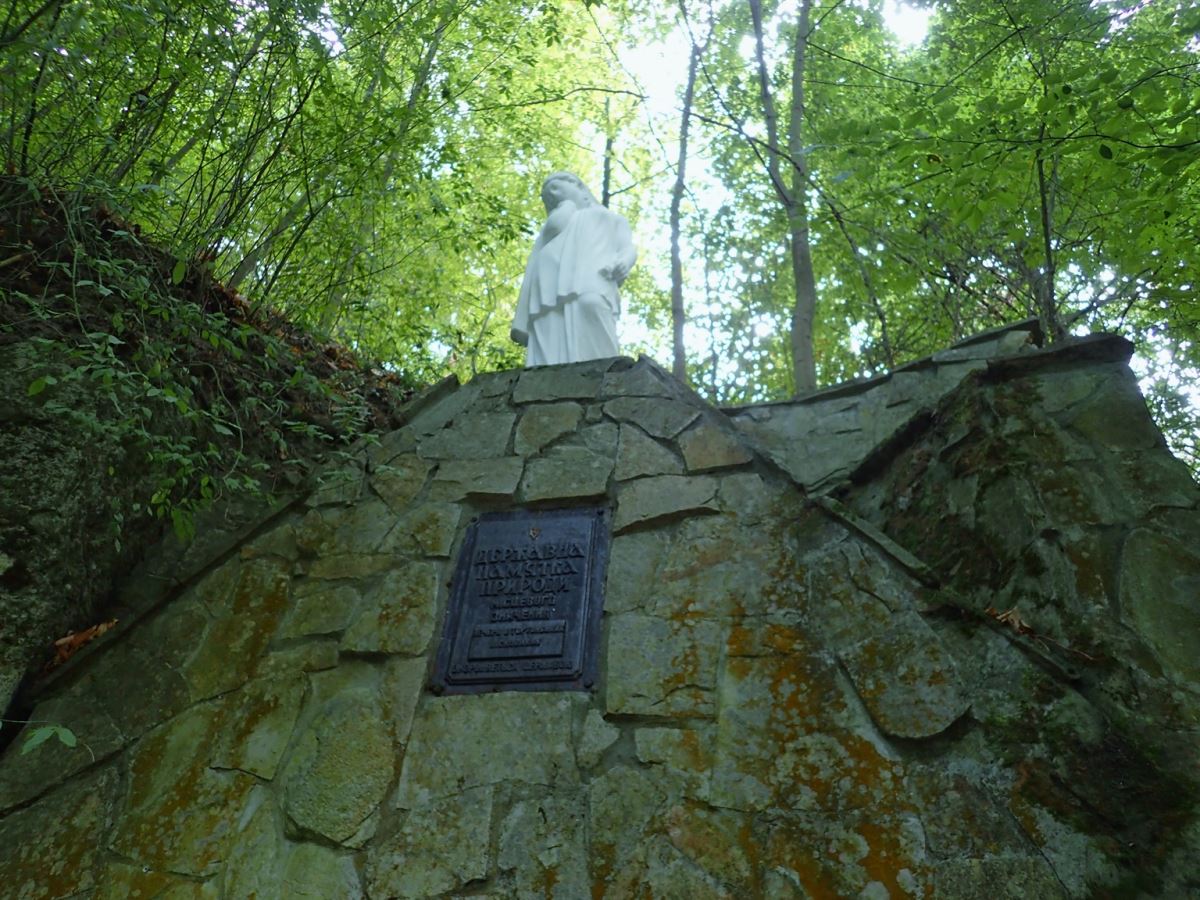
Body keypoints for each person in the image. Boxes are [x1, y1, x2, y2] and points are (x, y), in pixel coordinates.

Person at [511, 172, 637, 366]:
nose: (552, 193)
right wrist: (565, 206)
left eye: (557, 186)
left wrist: (624, 262)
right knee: (550, 323)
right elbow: (554, 228)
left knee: (591, 303)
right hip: (550, 281)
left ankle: (605, 371)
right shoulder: (562, 216)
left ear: (579, 186)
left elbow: (627, 247)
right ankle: (548, 376)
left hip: (594, 273)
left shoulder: (611, 218)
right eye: (547, 196)